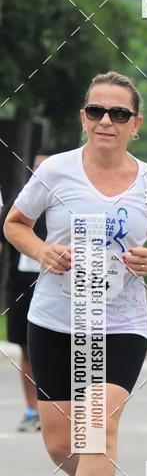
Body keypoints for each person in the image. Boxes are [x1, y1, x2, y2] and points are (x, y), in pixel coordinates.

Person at [4, 71, 147, 476]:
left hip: (121, 322)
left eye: (118, 114)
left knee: (96, 425)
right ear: (84, 118)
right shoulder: (55, 172)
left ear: (135, 124)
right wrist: (43, 251)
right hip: (58, 319)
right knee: (62, 442)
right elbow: (15, 224)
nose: (106, 120)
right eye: (96, 111)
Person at [0, 148, 52, 432]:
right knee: (27, 350)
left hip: (63, 287)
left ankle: (62, 410)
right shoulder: (19, 203)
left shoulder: (71, 200)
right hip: (22, 287)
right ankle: (33, 410)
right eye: (36, 169)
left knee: (63, 349)